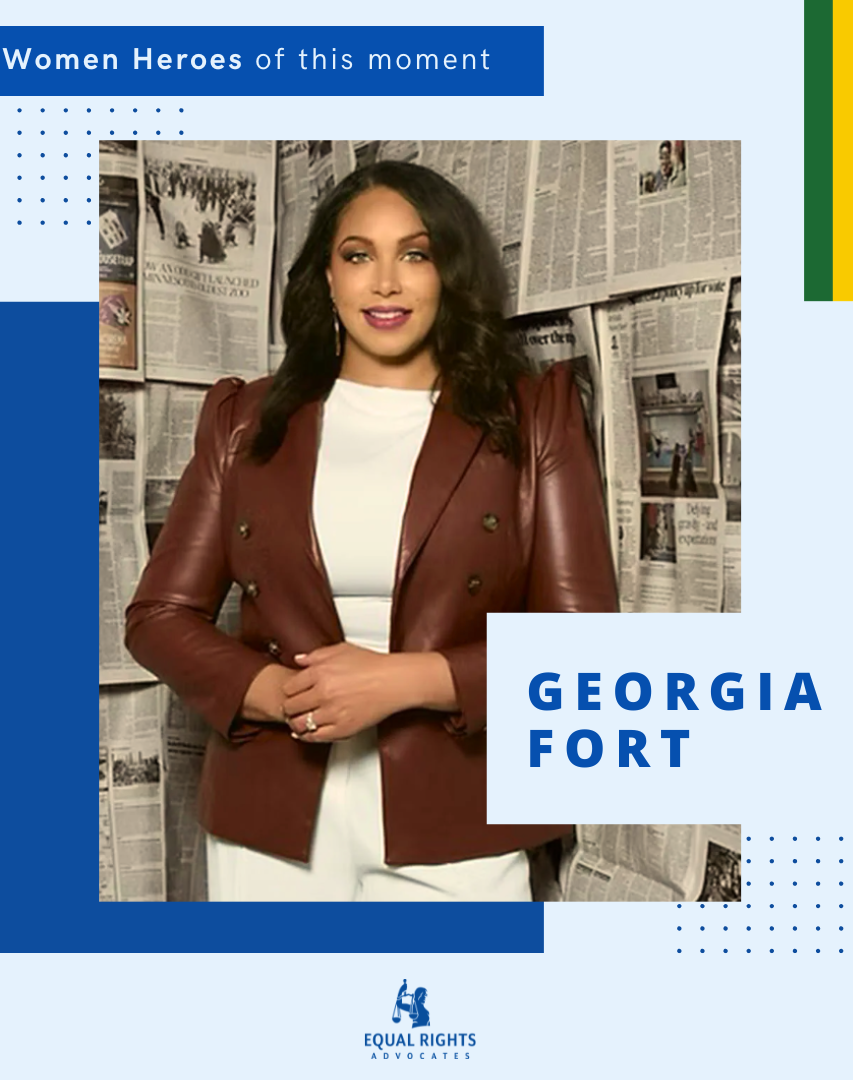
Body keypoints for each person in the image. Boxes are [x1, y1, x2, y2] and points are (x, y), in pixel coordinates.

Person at [126, 161, 618, 902]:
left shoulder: (532, 417)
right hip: (271, 810)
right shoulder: (244, 421)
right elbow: (158, 616)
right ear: (328, 278)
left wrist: (406, 681)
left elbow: (585, 644)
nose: (385, 283)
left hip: (459, 805)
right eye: (359, 256)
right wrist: (280, 693)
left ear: (448, 273)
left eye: (414, 255)